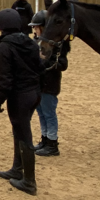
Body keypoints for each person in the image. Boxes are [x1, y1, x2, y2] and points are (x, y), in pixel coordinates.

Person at [0, 9, 42, 195]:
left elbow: (4, 79)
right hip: (34, 93)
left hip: (19, 96)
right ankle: (17, 168)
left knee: (24, 134)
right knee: (19, 130)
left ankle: (29, 181)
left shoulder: (5, 47)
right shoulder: (30, 43)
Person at [29, 10, 68, 157]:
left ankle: (52, 142)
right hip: (37, 85)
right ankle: (44, 139)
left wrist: (43, 60)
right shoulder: (34, 42)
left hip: (49, 85)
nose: (34, 30)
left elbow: (62, 64)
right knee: (41, 113)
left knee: (49, 114)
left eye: (36, 27)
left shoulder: (56, 45)